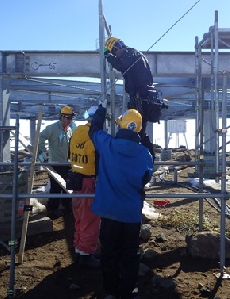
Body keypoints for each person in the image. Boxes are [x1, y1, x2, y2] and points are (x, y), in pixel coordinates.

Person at [89, 105, 153, 299]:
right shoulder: (144, 154)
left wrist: (100, 113)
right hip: (131, 215)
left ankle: (110, 291)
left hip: (109, 212)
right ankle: (127, 291)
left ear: (121, 127)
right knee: (130, 255)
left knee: (109, 253)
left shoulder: (107, 144)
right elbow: (145, 179)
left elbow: (94, 131)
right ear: (139, 131)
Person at [104, 37, 167, 159]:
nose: (115, 55)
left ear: (117, 48)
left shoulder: (129, 53)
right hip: (145, 96)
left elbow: (121, 64)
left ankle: (142, 158)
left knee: (135, 131)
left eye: (114, 52)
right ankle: (146, 157)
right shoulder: (136, 54)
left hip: (140, 97)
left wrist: (108, 56)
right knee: (140, 130)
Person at [68, 106, 101, 269]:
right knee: (91, 220)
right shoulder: (94, 136)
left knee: (80, 218)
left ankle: (79, 249)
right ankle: (86, 255)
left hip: (76, 181)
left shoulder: (77, 132)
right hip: (89, 182)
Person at [38, 105, 76, 216]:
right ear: (62, 117)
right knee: (55, 186)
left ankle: (67, 205)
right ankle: (53, 208)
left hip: (67, 163)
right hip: (55, 164)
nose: (70, 120)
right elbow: (41, 137)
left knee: (67, 186)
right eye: (68, 118)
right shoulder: (52, 128)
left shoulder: (70, 130)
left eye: (71, 118)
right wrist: (42, 152)